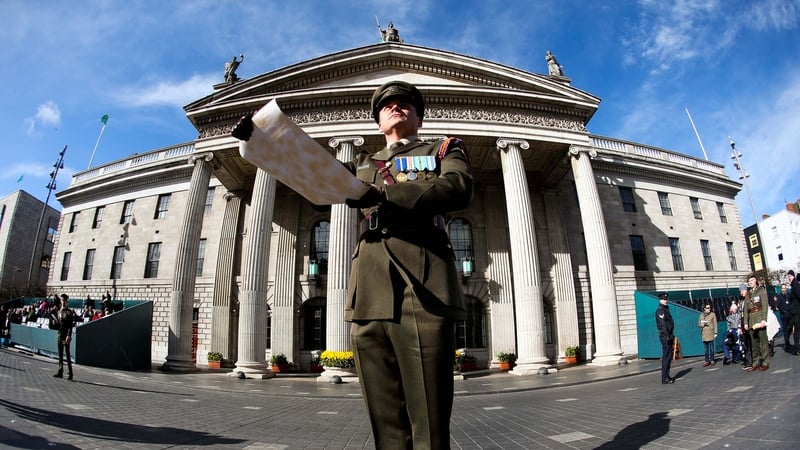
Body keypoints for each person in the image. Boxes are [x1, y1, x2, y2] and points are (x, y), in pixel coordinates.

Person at [343, 80, 473, 448]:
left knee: (428, 423)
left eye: (405, 103)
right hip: (368, 289)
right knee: (385, 422)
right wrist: (265, 147)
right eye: (387, 105)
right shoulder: (361, 164)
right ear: (377, 121)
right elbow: (315, 178)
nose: (396, 107)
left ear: (418, 115)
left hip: (423, 285)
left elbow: (458, 186)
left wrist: (385, 195)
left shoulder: (443, 148)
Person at [743, 275, 770, 371]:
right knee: (754, 344)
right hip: (751, 321)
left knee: (763, 342)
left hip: (759, 319)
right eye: (749, 281)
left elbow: (765, 305)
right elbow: (746, 310)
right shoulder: (747, 294)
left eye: (751, 280)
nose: (750, 282)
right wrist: (745, 322)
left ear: (756, 281)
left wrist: (764, 319)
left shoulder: (761, 291)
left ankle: (765, 362)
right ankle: (755, 362)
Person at [54, 294, 77, 380]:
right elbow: (59, 324)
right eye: (62, 300)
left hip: (65, 335)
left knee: (67, 354)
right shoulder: (59, 311)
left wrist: (69, 335)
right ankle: (60, 371)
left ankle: (70, 373)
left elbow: (70, 326)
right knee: (60, 354)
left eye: (64, 300)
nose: (63, 302)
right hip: (60, 334)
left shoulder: (69, 312)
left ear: (66, 302)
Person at [655, 292, 675, 384]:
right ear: (660, 300)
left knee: (669, 356)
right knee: (666, 357)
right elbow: (663, 325)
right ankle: (664, 378)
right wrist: (667, 336)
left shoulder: (666, 309)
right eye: (664, 299)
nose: (665, 301)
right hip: (665, 336)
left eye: (666, 299)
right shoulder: (660, 310)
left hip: (669, 335)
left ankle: (667, 375)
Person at [788, 270, 800, 353]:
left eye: (790, 276)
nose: (789, 277)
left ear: (794, 276)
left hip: (796, 311)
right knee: (797, 329)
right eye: (788, 276)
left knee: (797, 330)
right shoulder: (794, 285)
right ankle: (797, 348)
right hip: (796, 311)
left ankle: (797, 348)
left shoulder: (795, 285)